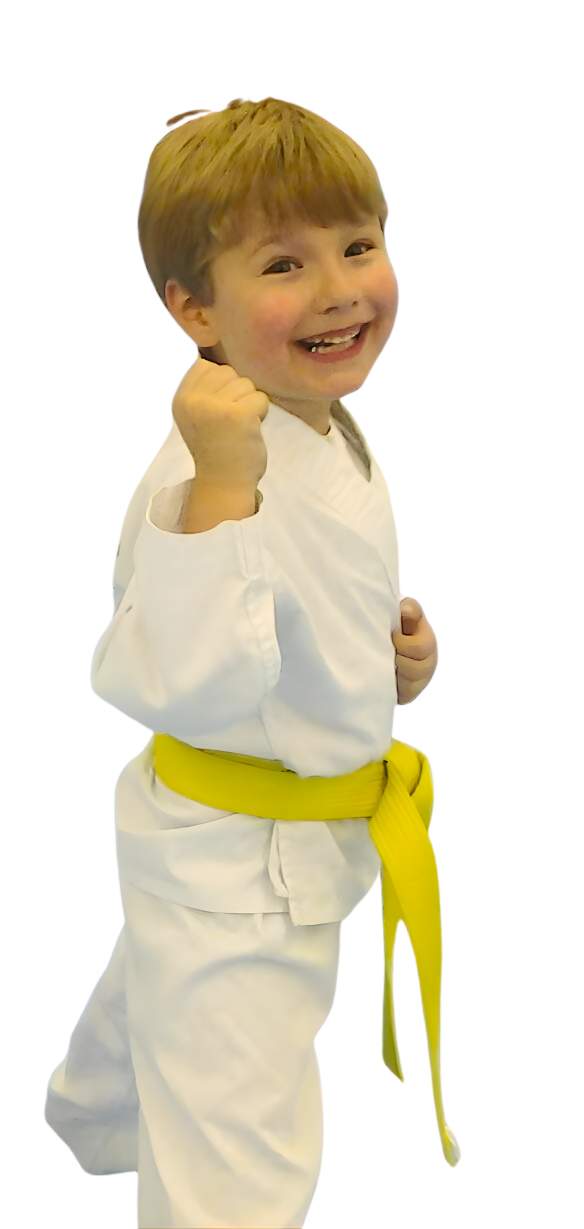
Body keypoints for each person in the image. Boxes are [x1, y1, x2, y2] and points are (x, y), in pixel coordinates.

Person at [43, 97, 458, 1229]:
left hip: (272, 825)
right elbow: (170, 675)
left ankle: (101, 1116)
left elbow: (306, 597)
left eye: (358, 248)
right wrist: (222, 488)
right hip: (243, 866)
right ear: (194, 310)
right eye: (284, 263)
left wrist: (388, 655)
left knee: (158, 984)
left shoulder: (313, 417)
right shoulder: (203, 473)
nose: (336, 289)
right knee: (244, 1148)